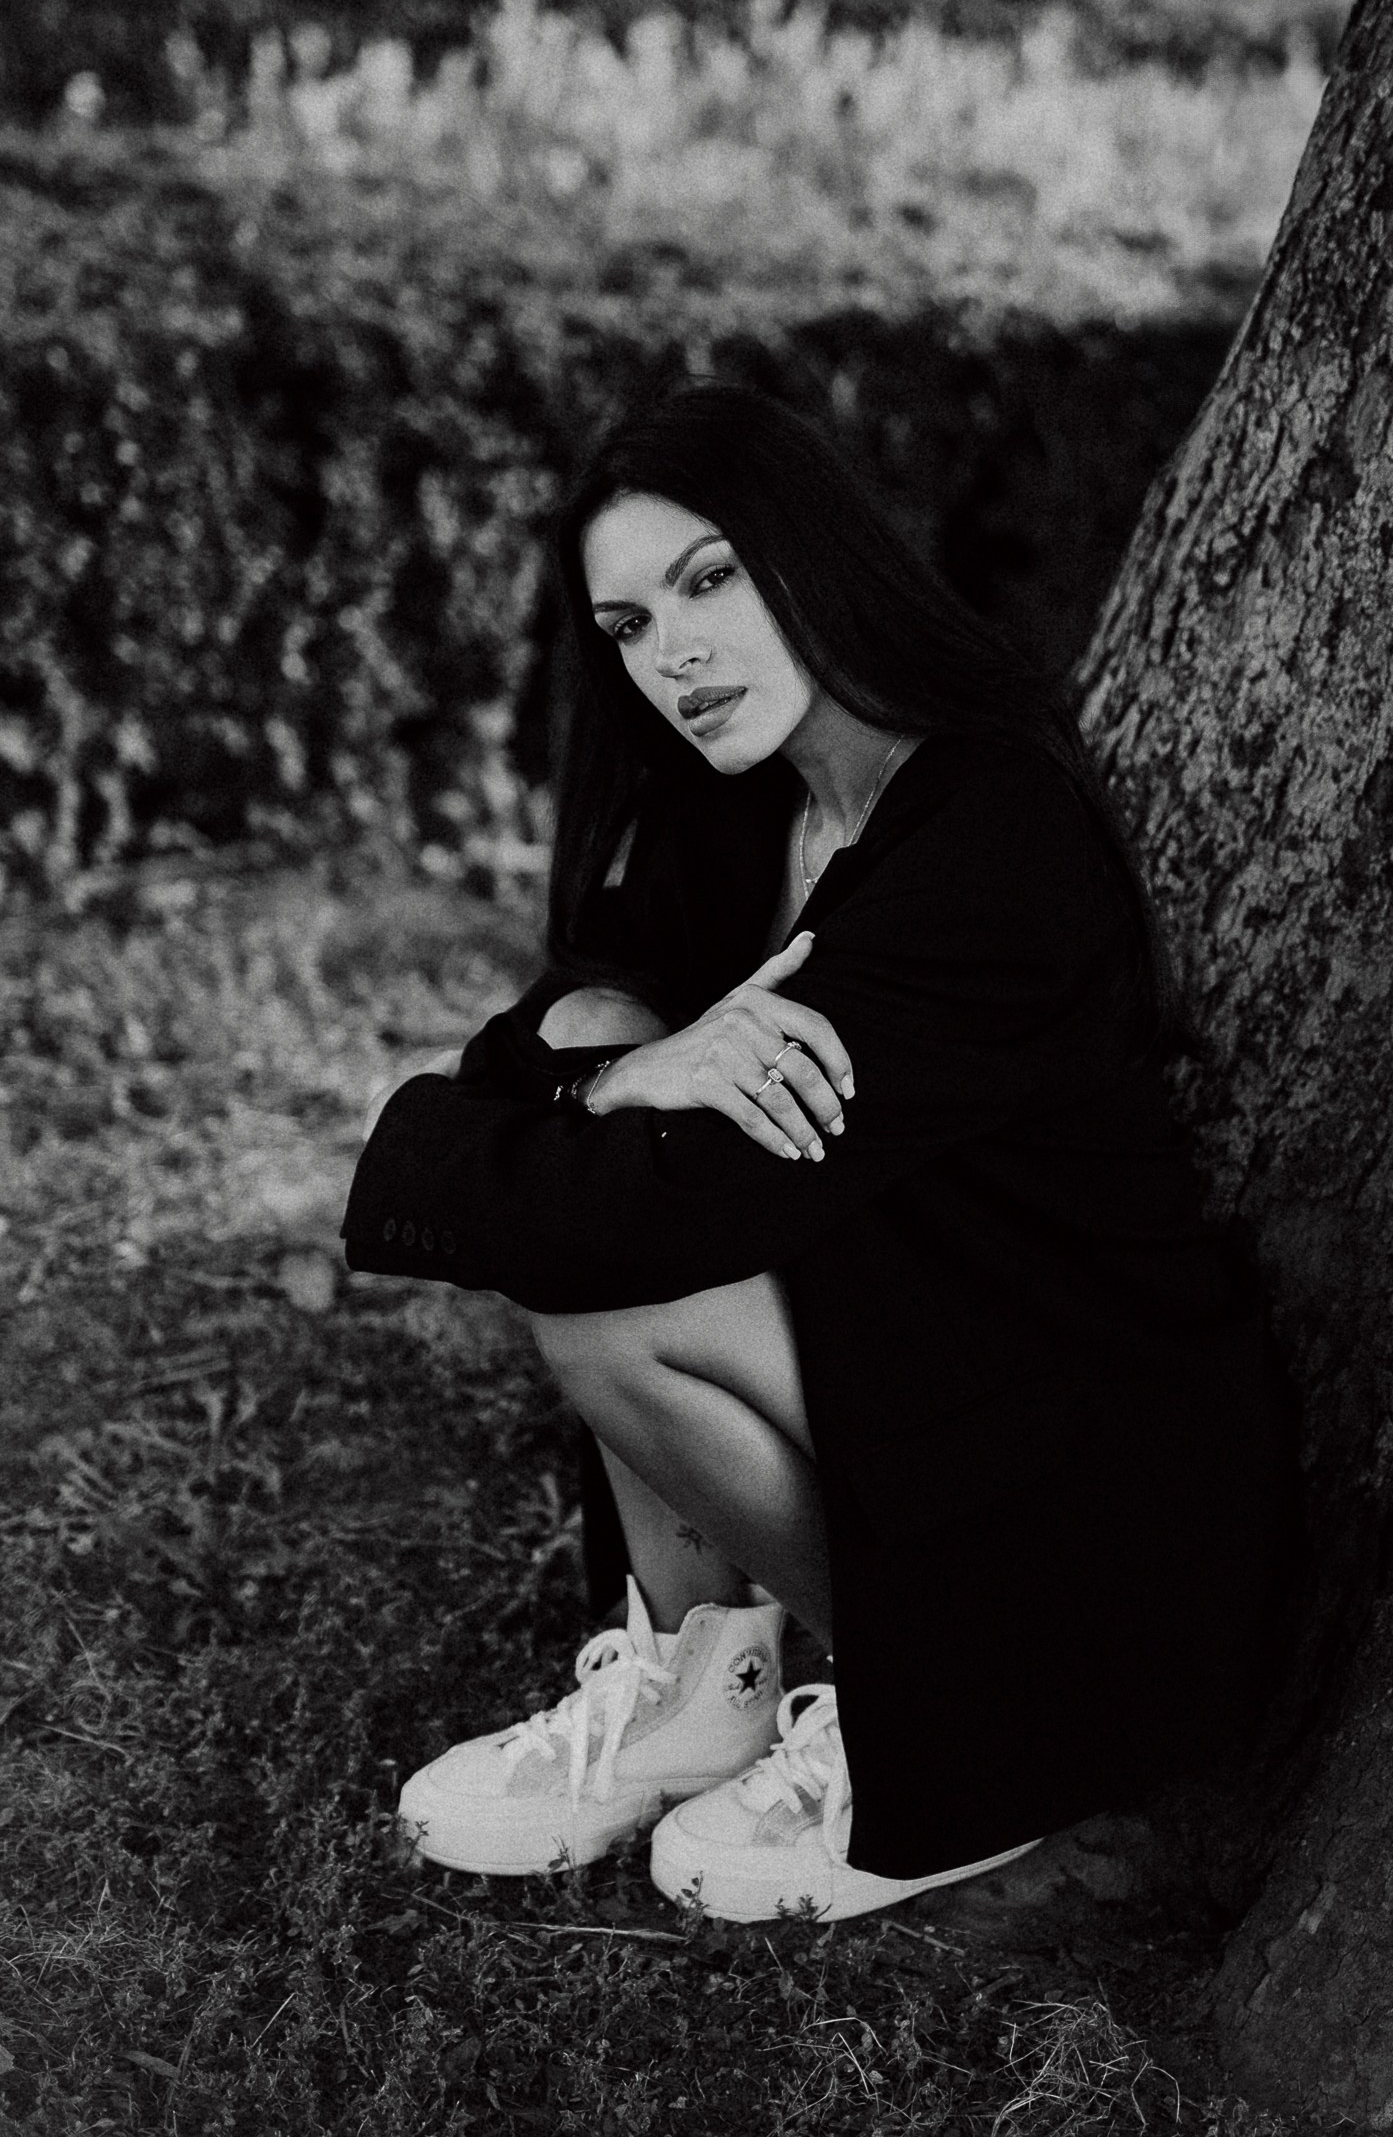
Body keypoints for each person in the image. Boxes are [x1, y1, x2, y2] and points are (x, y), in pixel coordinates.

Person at [343, 380, 1293, 1923]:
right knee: (596, 1054)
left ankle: (976, 1723)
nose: (675, 656)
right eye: (631, 625)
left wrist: (524, 1130)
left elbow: (676, 1214)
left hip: (1095, 1457)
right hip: (925, 1353)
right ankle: (702, 1687)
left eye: (709, 580)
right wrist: (621, 1072)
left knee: (606, 1300)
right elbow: (540, 1053)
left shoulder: (988, 836)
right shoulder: (738, 822)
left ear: (813, 554)